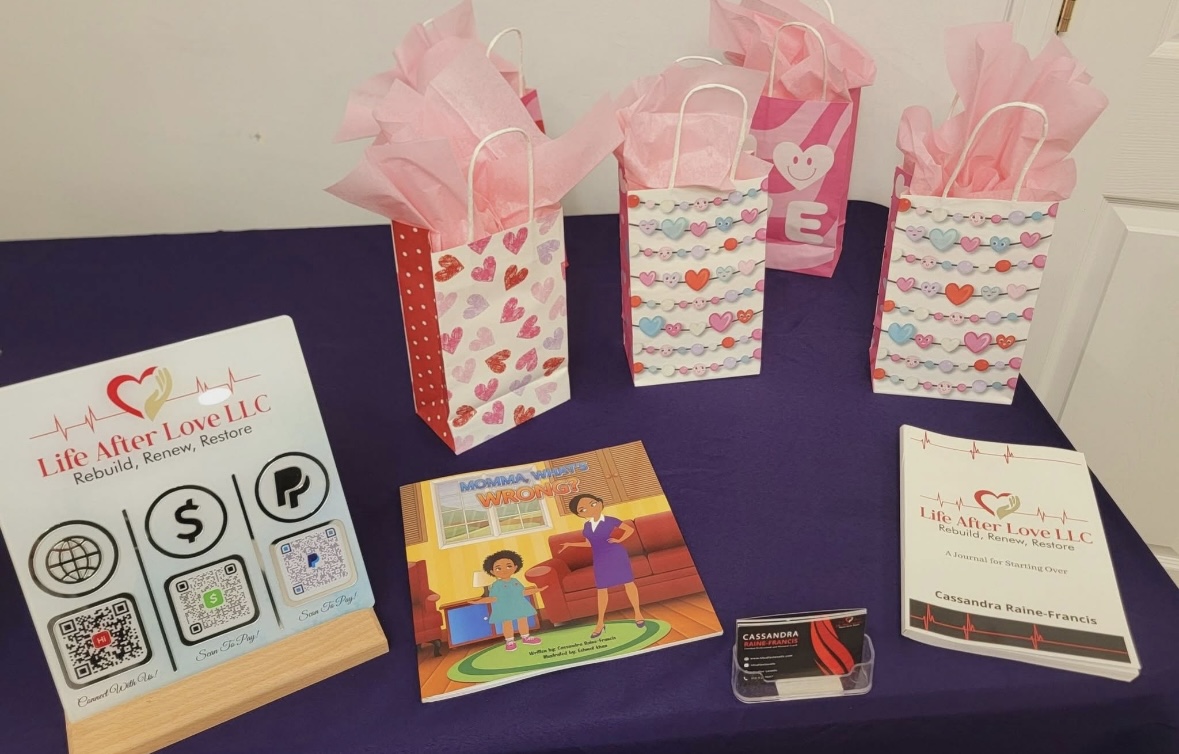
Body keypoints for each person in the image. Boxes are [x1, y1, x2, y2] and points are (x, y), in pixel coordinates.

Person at [559, 493, 644, 638]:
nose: (590, 509)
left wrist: (619, 540)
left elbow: (629, 529)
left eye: (592, 504)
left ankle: (638, 614)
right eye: (582, 509)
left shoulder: (610, 520)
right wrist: (570, 544)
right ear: (579, 514)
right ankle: (600, 623)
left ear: (599, 503)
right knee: (601, 589)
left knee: (628, 583)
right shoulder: (587, 525)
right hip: (599, 558)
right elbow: (589, 543)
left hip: (616, 554)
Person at [471, 550, 546, 652]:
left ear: (515, 567)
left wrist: (538, 590)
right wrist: (479, 601)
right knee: (507, 623)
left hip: (519, 605)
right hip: (505, 608)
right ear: (492, 571)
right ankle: (510, 641)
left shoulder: (515, 581)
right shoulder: (496, 585)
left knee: (522, 620)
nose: (504, 570)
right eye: (498, 568)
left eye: (509, 566)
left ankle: (526, 637)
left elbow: (522, 592)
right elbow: (493, 598)